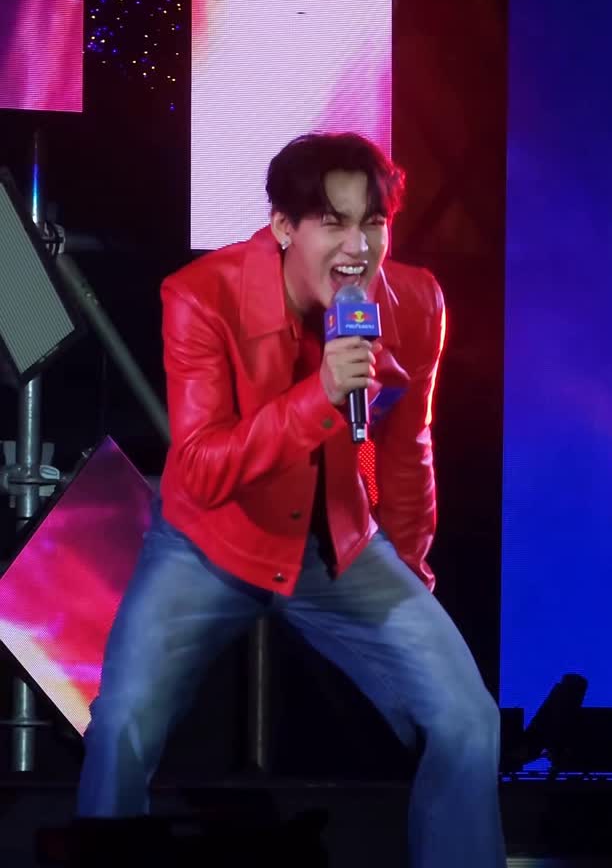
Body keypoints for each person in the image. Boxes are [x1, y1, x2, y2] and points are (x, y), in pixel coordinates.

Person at [77, 132, 506, 867]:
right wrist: (320, 394)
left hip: (340, 547)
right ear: (282, 226)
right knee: (119, 727)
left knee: (469, 719)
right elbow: (202, 469)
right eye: (334, 223)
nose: (358, 248)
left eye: (373, 223)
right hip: (208, 544)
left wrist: (410, 574)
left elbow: (407, 454)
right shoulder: (201, 296)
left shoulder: (414, 303)